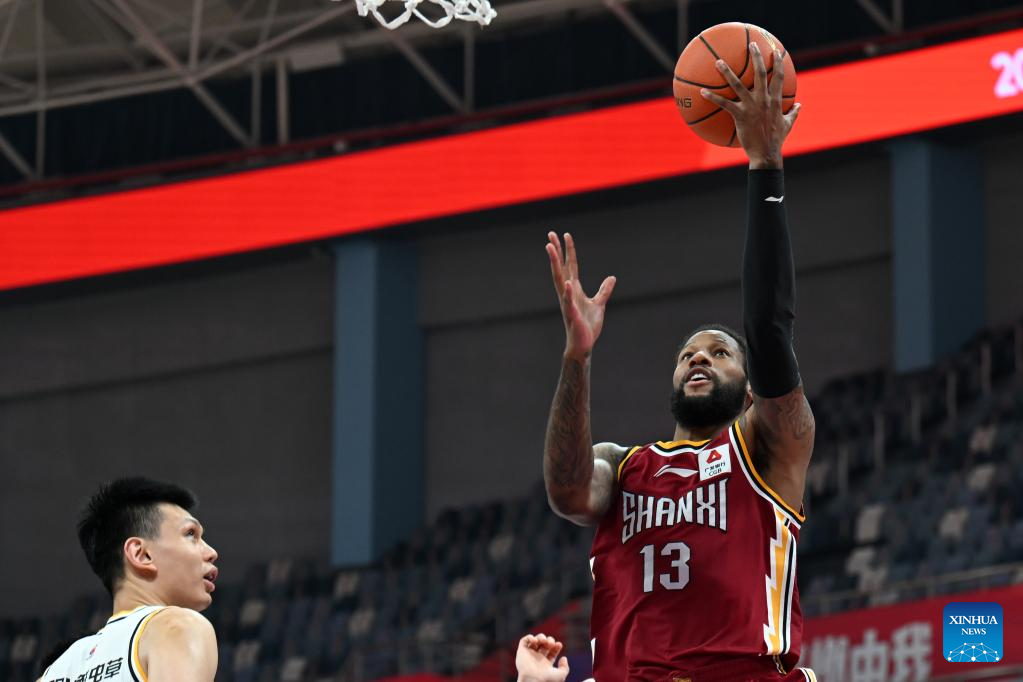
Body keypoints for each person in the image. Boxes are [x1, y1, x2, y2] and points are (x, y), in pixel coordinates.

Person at [542, 43, 818, 681]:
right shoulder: (624, 466)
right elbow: (565, 488)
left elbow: (769, 330)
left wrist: (765, 166)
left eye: (719, 353)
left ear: (749, 389)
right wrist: (577, 357)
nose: (699, 359)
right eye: (688, 354)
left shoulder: (770, 447)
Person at [38, 477, 219, 682]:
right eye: (190, 534)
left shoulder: (54, 672)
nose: (211, 552)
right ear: (142, 554)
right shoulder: (178, 626)